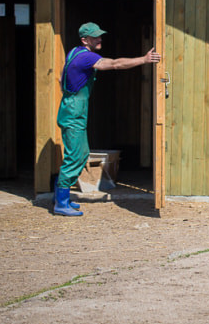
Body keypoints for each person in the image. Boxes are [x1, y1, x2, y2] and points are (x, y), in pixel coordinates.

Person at [53, 22, 161, 216]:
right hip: (74, 111)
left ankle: (63, 198)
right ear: (84, 40)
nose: (99, 39)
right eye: (94, 37)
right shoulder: (87, 57)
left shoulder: (74, 52)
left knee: (81, 153)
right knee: (75, 156)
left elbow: (62, 78)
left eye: (99, 35)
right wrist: (144, 59)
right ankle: (60, 202)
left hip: (71, 107)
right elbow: (115, 64)